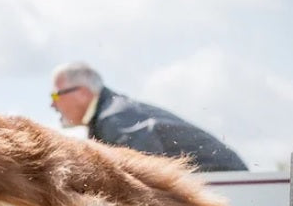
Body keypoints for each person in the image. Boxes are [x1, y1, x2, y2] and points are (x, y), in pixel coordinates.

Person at [50, 62, 248, 172]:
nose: (52, 104)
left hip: (226, 182)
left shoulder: (114, 120)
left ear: (83, 93)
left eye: (55, 95)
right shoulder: (113, 114)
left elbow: (146, 175)